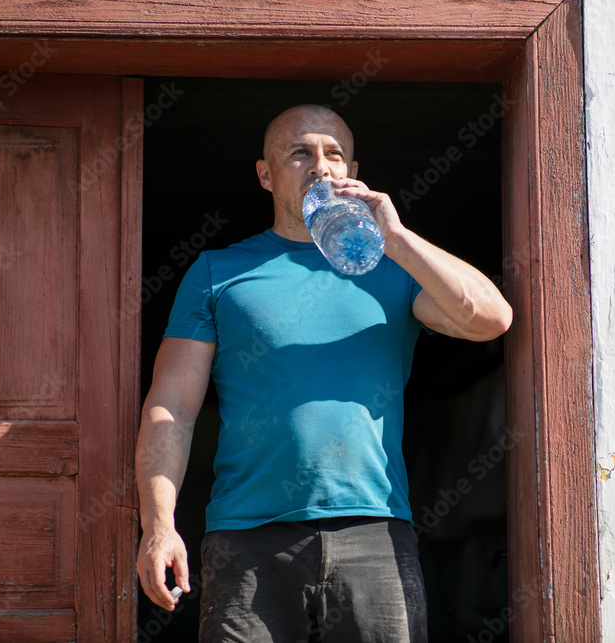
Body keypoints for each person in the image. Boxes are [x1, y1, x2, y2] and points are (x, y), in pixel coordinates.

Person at [135, 104, 512, 641]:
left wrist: (397, 238)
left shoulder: (392, 269)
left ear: (353, 172)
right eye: (299, 153)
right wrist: (159, 526)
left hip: (374, 530)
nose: (321, 167)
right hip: (247, 536)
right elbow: (171, 406)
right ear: (265, 174)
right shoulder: (217, 272)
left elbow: (491, 320)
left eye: (334, 154)